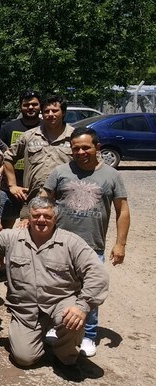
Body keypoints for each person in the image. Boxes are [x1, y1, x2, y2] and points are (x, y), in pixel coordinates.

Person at [0, 197, 109, 380]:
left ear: (56, 218)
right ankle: (39, 337)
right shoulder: (12, 237)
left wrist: (83, 305)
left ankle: (66, 357)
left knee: (73, 317)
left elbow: (97, 273)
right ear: (29, 217)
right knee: (24, 358)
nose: (41, 220)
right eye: (36, 215)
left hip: (61, 302)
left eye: (47, 216)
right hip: (26, 308)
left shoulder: (71, 242)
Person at [43, 127, 130, 357]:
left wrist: (120, 244)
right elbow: (45, 202)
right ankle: (59, 326)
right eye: (76, 148)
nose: (81, 152)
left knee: (89, 293)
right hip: (59, 243)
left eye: (85, 147)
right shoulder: (60, 172)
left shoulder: (111, 176)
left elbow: (122, 211)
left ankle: (89, 335)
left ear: (97, 148)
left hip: (93, 245)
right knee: (58, 288)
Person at [3, 96, 74, 221]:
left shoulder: (74, 136)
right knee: (29, 237)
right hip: (33, 201)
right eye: (46, 111)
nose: (50, 114)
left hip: (66, 201)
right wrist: (12, 185)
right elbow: (8, 157)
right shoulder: (29, 136)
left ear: (63, 113)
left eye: (55, 111)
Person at [0, 90, 43, 228]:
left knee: (35, 225)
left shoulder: (45, 128)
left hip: (36, 188)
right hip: (10, 188)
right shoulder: (8, 128)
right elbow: (2, 156)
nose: (30, 107)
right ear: (20, 106)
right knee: (7, 226)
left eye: (34, 104)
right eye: (26, 104)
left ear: (40, 106)